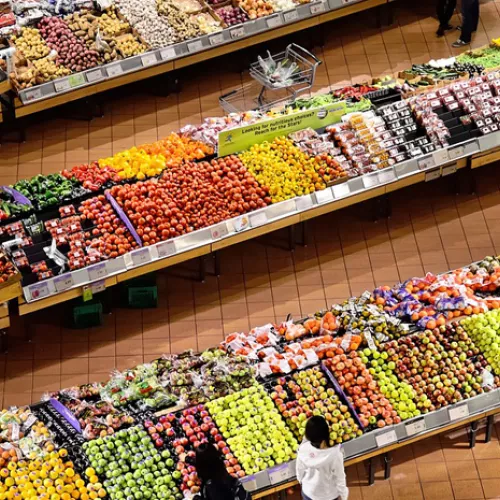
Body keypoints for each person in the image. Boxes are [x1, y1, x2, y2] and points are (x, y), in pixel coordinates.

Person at [296, 416, 348, 500]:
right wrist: (344, 496)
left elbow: (299, 469)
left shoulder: (303, 448)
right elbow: (340, 478)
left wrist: (303, 482)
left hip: (308, 492)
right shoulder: (335, 455)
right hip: (328, 496)